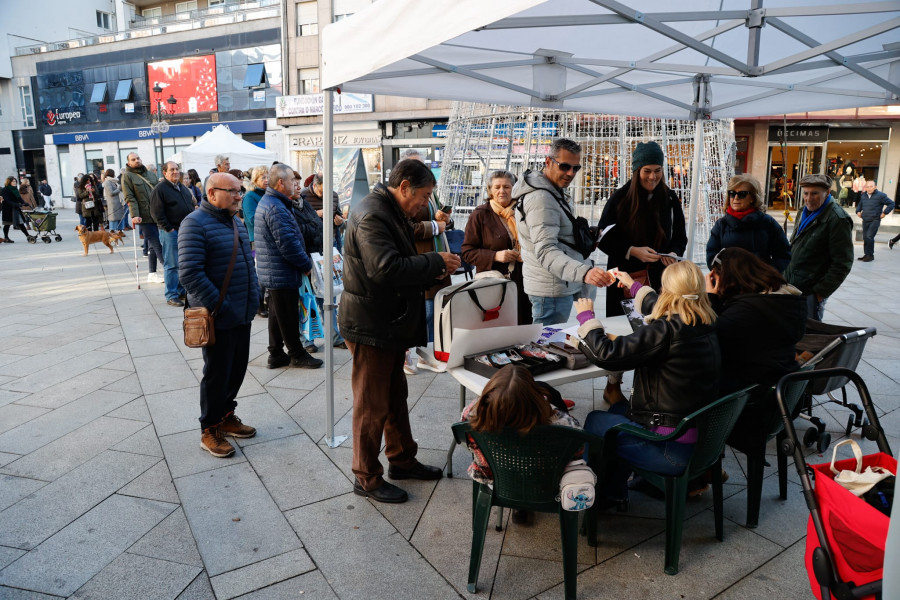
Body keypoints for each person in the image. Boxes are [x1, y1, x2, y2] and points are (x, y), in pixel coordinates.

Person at [339, 158, 460, 504]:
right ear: (404, 186)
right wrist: (435, 263)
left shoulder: (391, 209)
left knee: (395, 394)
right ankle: (366, 477)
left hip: (387, 319)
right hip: (370, 322)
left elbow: (400, 259)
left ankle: (402, 459)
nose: (425, 204)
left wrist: (430, 272)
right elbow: (385, 268)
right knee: (371, 402)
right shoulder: (372, 213)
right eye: (423, 196)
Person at [575, 260, 720, 504]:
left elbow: (607, 354)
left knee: (595, 420)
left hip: (669, 449)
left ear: (668, 292)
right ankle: (613, 491)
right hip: (700, 442)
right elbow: (667, 304)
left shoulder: (666, 330)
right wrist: (634, 287)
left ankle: (594, 498)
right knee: (618, 409)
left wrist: (587, 320)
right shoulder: (705, 320)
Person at [595, 140, 686, 405]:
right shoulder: (621, 197)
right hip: (625, 279)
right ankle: (613, 384)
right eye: (647, 170)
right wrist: (632, 250)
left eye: (657, 170)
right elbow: (603, 237)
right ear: (636, 170)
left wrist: (671, 253)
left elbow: (680, 237)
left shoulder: (669, 199)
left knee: (657, 332)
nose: (653, 176)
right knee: (623, 334)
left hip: (660, 280)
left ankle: (650, 387)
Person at [179, 172, 259, 458]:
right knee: (216, 373)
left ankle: (226, 415)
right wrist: (220, 306)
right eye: (234, 191)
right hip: (218, 315)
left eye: (241, 190)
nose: (240, 195)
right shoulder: (193, 224)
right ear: (212, 194)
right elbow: (189, 273)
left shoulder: (236, 222)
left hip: (242, 311)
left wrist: (254, 296)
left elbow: (247, 264)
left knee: (236, 369)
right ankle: (209, 428)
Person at [512, 138, 614, 325]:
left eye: (576, 168)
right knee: (547, 345)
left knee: (552, 343)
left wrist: (583, 237)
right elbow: (546, 250)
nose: (570, 173)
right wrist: (584, 273)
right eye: (565, 166)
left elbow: (558, 234)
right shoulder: (541, 198)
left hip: (559, 282)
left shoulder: (552, 190)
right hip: (551, 288)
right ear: (548, 162)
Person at [254, 163, 323, 370]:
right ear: (281, 182)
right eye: (293, 180)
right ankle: (296, 354)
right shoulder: (275, 206)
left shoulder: (275, 202)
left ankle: (275, 354)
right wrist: (305, 265)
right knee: (288, 315)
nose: (296, 184)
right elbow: (288, 243)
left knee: (277, 313)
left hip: (276, 270)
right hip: (280, 270)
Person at [462, 170, 531, 325]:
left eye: (506, 187)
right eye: (497, 187)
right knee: (497, 328)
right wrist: (495, 256)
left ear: (514, 189)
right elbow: (467, 252)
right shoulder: (480, 214)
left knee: (524, 327)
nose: (502, 191)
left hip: (525, 283)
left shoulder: (524, 211)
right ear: (490, 190)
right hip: (494, 285)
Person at [783, 173, 853, 321]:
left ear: (827, 192)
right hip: (791, 286)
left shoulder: (837, 219)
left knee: (810, 334)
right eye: (806, 193)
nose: (809, 198)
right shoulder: (803, 211)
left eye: (814, 193)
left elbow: (842, 263)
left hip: (811, 292)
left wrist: (820, 293)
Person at [290, 169, 346, 351]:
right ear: (314, 185)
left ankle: (334, 336)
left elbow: (338, 217)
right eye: (323, 190)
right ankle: (308, 340)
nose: (326, 194)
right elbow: (301, 227)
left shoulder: (331, 196)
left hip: (327, 250)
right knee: (308, 299)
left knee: (328, 298)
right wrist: (319, 215)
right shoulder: (303, 199)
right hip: (308, 255)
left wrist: (339, 222)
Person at [705, 174, 791, 271]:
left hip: (760, 283)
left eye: (742, 194)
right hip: (728, 282)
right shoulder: (721, 224)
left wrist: (767, 276)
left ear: (753, 198)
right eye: (732, 193)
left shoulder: (767, 223)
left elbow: (783, 254)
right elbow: (712, 255)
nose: (736, 197)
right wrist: (723, 275)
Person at [150, 162, 196, 307]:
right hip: (171, 231)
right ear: (165, 173)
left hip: (185, 230)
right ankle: (171, 294)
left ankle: (180, 290)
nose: (176, 172)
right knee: (171, 264)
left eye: (177, 169)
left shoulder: (182, 187)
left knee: (183, 263)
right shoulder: (160, 189)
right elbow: (156, 213)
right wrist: (169, 229)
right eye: (172, 170)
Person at [122, 153, 164, 284]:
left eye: (138, 158)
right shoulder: (127, 176)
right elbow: (130, 197)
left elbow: (159, 193)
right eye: (133, 160)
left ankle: (152, 273)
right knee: (157, 243)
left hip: (157, 214)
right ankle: (169, 268)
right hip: (143, 216)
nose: (136, 161)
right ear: (128, 163)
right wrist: (134, 215)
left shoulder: (151, 174)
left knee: (152, 246)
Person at [300, 172, 344, 252]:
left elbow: (338, 214)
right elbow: (299, 220)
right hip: (312, 244)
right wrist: (316, 213)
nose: (324, 195)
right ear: (314, 186)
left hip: (331, 241)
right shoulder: (303, 195)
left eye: (327, 191)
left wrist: (339, 222)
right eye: (321, 191)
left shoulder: (334, 195)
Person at [856, 180, 894, 262]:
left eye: (871, 186)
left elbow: (892, 204)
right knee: (866, 238)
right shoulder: (863, 195)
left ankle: (870, 255)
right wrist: (858, 211)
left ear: (875, 187)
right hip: (865, 219)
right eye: (867, 187)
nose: (869, 188)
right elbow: (860, 205)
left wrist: (884, 213)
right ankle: (867, 254)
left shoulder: (881, 196)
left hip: (875, 220)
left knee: (869, 236)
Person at [1, 177, 31, 242]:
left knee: (21, 222)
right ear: (9, 182)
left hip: (16, 209)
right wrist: (17, 204)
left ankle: (28, 236)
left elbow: (19, 198)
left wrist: (24, 203)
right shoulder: (5, 190)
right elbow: (7, 200)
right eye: (13, 181)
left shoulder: (15, 189)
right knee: (7, 224)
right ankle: (6, 237)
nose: (15, 183)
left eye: (15, 181)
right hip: (8, 209)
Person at [102, 169, 125, 234]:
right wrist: (119, 189)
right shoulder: (107, 182)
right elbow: (111, 193)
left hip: (119, 202)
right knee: (113, 217)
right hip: (113, 203)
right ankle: (112, 231)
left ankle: (120, 230)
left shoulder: (114, 181)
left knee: (121, 216)